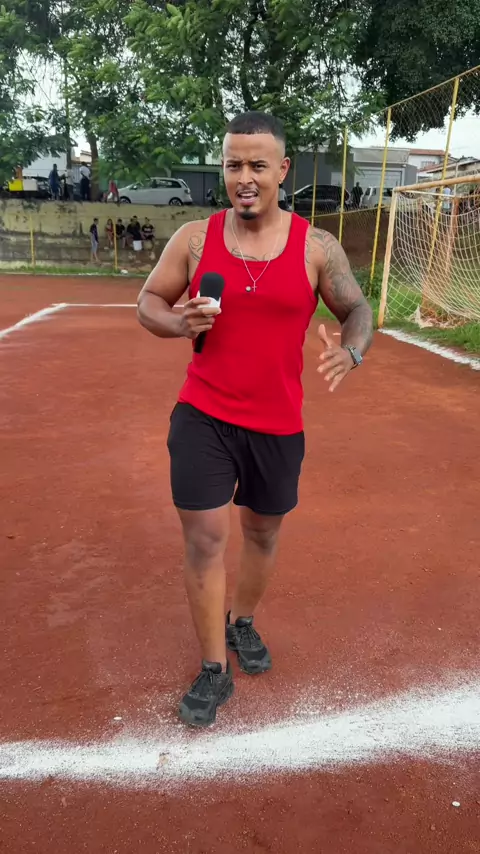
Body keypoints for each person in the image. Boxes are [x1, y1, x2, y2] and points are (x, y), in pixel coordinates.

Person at [137, 111, 373, 728]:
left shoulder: (316, 247)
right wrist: (178, 323)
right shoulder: (195, 239)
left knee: (263, 534)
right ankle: (214, 668)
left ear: (282, 170)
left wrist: (352, 351)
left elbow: (357, 309)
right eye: (233, 164)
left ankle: (241, 621)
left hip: (277, 423)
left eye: (257, 166)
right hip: (204, 414)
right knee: (205, 539)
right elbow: (149, 302)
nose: (244, 177)